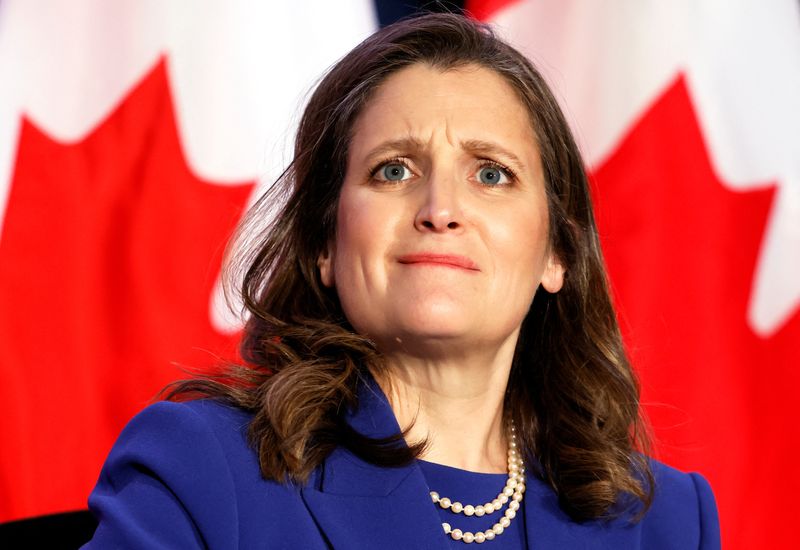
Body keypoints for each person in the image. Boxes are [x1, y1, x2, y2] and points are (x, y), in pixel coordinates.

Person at [83, 13, 720, 549]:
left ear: (556, 252)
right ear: (325, 243)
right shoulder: (200, 471)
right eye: (393, 171)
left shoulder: (663, 521)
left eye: (491, 174)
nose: (439, 208)